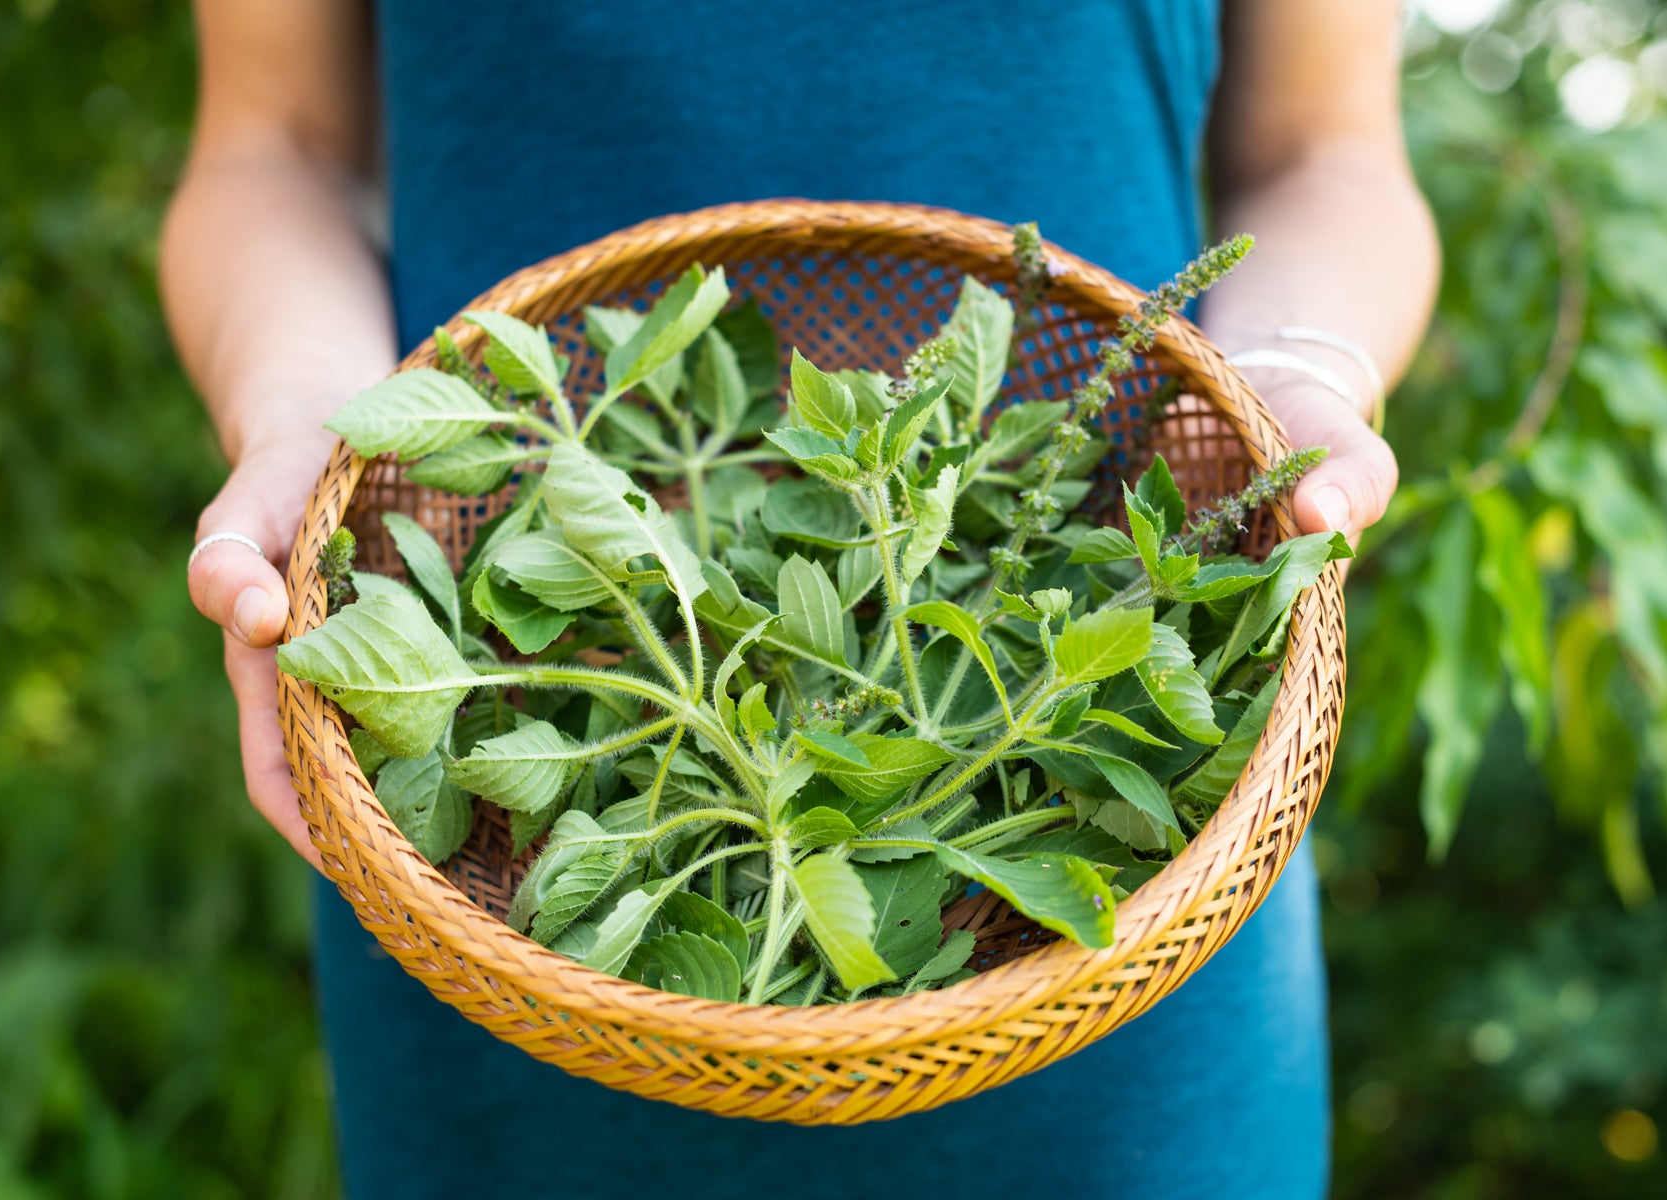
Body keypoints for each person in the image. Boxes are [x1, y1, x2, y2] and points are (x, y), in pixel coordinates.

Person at [163, 2, 1437, 1195]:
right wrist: (299, 419)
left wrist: (1281, 379)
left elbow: (1326, 152)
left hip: (1121, 896)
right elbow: (273, 150)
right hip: (506, 895)